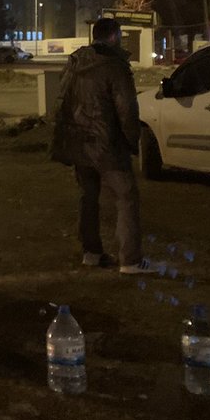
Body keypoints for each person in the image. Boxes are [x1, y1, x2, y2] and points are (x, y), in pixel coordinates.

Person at [50, 17, 155, 276]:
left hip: (79, 143)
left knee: (88, 196)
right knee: (127, 197)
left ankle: (91, 253)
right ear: (114, 36)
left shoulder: (75, 63)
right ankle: (130, 260)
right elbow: (127, 109)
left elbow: (62, 102)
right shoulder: (115, 66)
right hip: (107, 144)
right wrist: (132, 140)